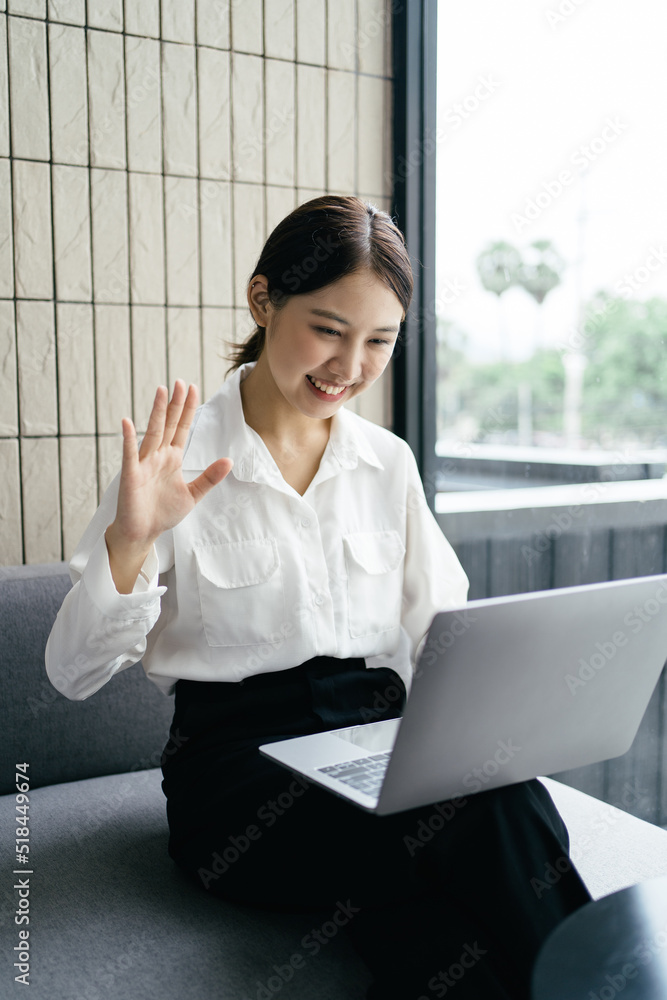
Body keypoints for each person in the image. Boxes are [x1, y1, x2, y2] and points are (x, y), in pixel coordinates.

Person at [46, 195, 591, 999]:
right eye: (328, 330)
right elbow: (71, 672)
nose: (349, 367)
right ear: (263, 301)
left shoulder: (387, 463)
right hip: (239, 779)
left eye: (379, 341)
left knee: (447, 895)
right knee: (480, 818)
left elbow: (440, 634)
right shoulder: (175, 464)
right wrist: (131, 543)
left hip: (377, 755)